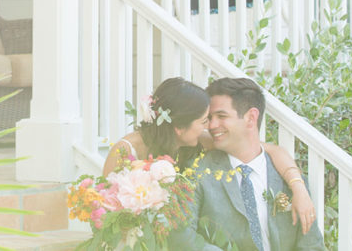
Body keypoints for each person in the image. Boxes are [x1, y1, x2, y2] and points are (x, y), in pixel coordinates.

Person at [102, 77, 316, 234]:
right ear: (179, 127)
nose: (210, 127)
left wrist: (299, 187)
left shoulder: (197, 140)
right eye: (204, 121)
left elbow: (269, 150)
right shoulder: (126, 151)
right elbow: (103, 212)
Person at [174, 77, 324, 251]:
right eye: (209, 118)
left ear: (251, 118)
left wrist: (298, 187)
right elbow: (182, 238)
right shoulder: (198, 172)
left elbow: (312, 246)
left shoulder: (292, 182)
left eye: (221, 116)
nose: (212, 125)